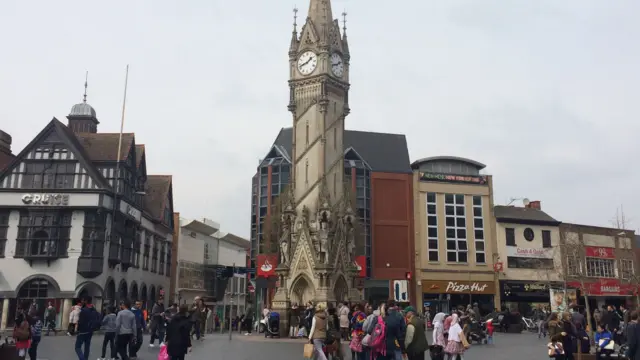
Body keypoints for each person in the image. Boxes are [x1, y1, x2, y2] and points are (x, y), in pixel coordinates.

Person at [75, 296, 99, 360]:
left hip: (82, 331)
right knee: (87, 347)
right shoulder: (94, 309)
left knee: (77, 347)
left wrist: (77, 330)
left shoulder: (84, 310)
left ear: (86, 301)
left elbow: (81, 322)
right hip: (90, 331)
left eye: (83, 300)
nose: (82, 301)